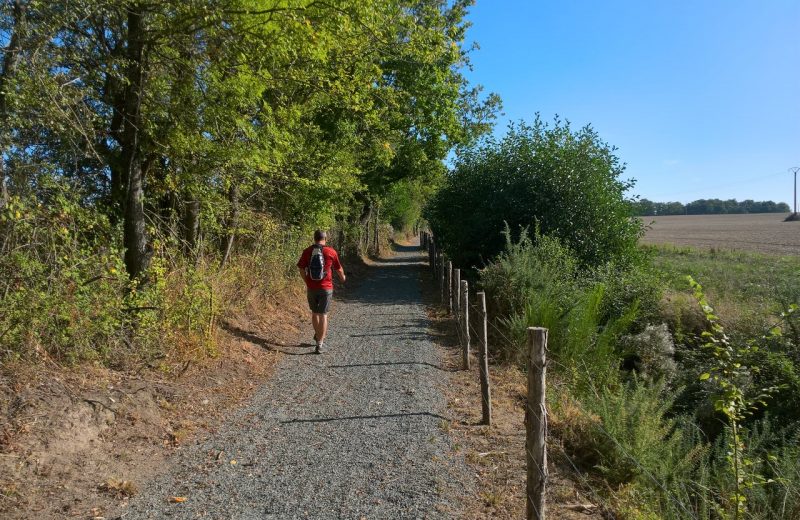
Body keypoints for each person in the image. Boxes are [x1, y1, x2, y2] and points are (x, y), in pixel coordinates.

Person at [296, 230, 345, 354]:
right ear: (325, 238)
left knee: (315, 313)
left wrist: (307, 281)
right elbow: (338, 268)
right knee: (323, 314)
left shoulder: (307, 251)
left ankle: (318, 336)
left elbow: (301, 268)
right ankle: (319, 343)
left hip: (312, 287)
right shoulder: (331, 251)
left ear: (314, 238)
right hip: (326, 288)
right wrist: (343, 277)